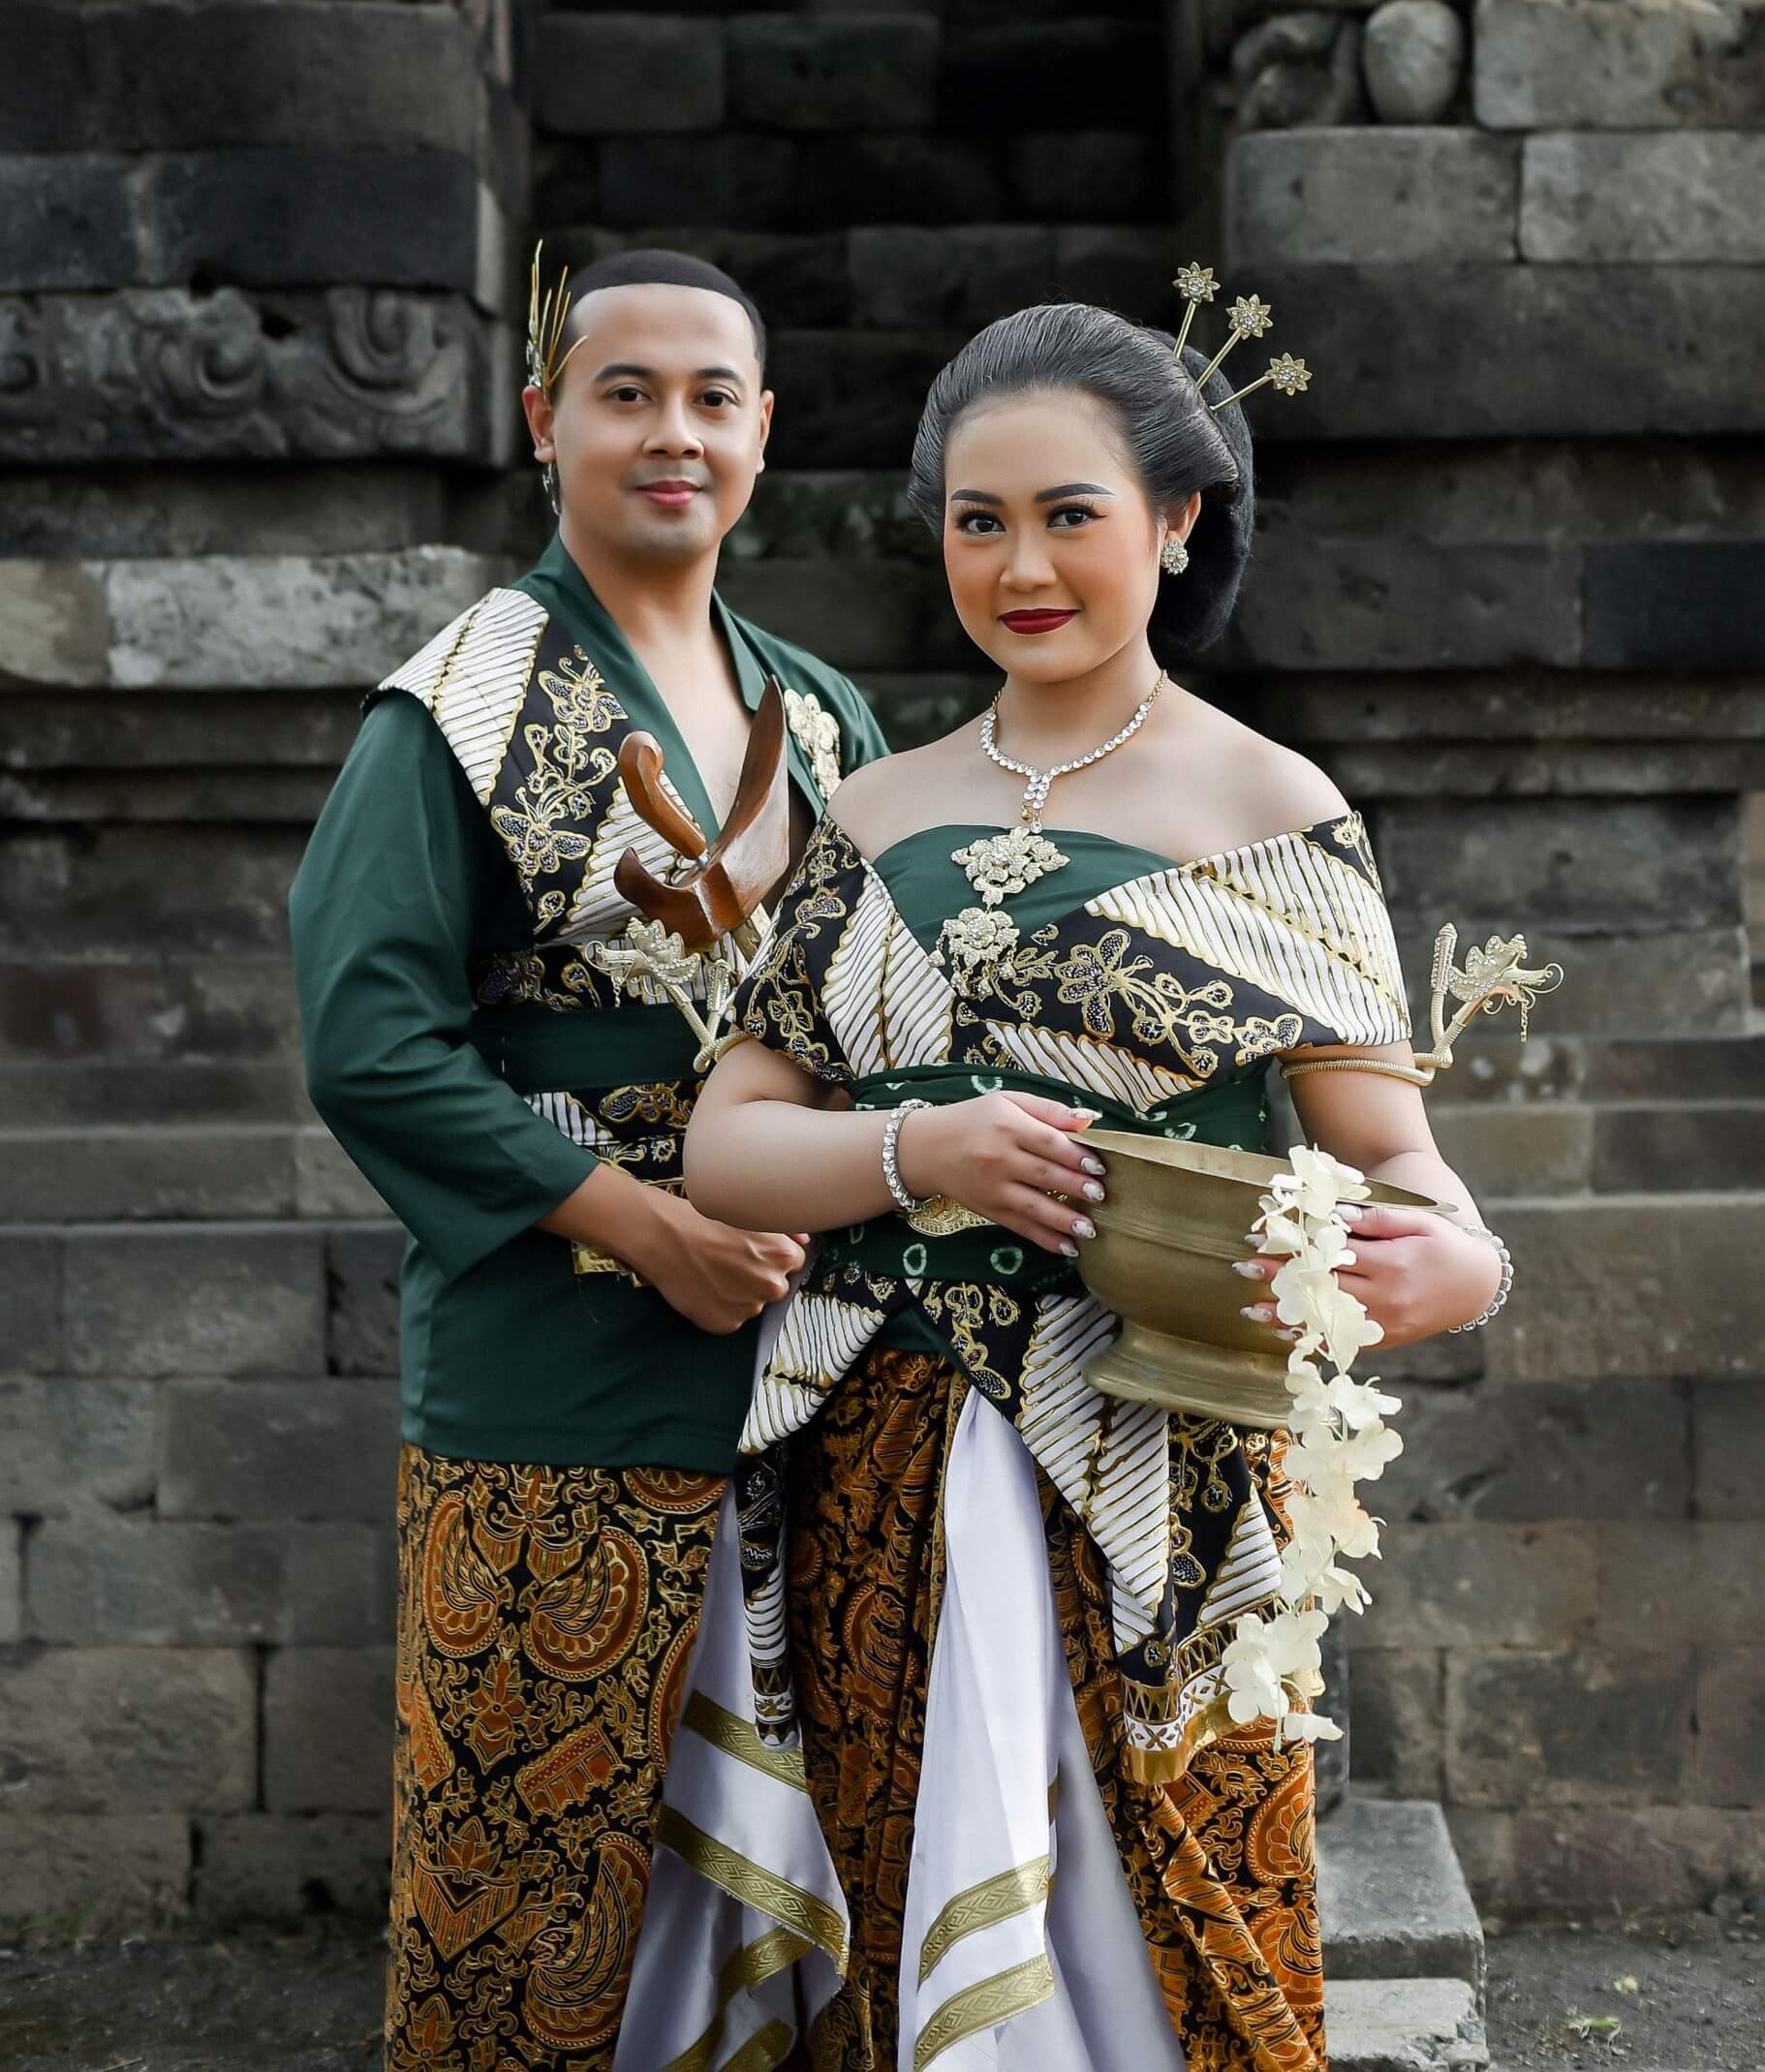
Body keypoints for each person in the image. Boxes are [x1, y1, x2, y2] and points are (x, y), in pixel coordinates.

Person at [616, 300, 1509, 2072]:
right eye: (978, 521)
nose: (1019, 567)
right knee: (900, 1889)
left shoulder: (1273, 810)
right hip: (873, 1452)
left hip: (1165, 1460)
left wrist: (1457, 1261)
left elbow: (1393, 1156)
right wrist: (917, 1148)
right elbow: (726, 1144)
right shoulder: (872, 814)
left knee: (1174, 1929)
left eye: (1068, 516)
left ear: (1176, 521)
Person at [287, 248, 889, 2072]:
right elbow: (373, 1044)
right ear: (545, 421)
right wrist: (645, 1226)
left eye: (712, 398)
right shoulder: (451, 712)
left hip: (811, 1372)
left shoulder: (825, 715)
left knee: (808, 1907)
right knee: (528, 1905)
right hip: (555, 1379)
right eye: (627, 394)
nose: (672, 433)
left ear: (764, 431)